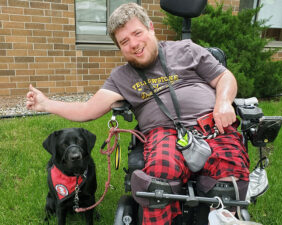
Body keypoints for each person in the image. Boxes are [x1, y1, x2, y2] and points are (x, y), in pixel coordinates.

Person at [26, 3, 249, 225]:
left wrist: (223, 103)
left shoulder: (186, 49)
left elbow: (224, 77)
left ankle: (219, 215)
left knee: (229, 173)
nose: (134, 44)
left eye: (137, 33)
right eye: (124, 41)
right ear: (119, 48)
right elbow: (87, 110)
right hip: (164, 132)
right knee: (158, 176)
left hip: (211, 124)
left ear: (150, 28)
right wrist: (46, 104)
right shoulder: (121, 77)